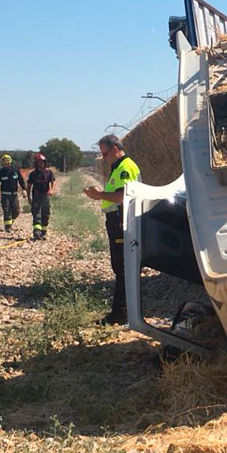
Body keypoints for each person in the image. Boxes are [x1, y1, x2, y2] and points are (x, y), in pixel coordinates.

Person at [83, 134, 140, 324]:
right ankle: (125, 311)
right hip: (116, 220)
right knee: (120, 267)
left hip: (121, 221)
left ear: (115, 150)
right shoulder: (119, 168)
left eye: (105, 154)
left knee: (122, 267)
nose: (104, 158)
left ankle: (121, 313)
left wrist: (99, 195)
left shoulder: (125, 167)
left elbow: (123, 196)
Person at [0, 154, 27, 235]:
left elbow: (21, 180)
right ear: (3, 164)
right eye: (5, 163)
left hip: (14, 195)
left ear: (10, 163)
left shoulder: (15, 171)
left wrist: (24, 189)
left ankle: (10, 221)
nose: (7, 165)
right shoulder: (0, 173)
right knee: (7, 211)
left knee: (16, 211)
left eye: (8, 163)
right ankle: (8, 228)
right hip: (5, 196)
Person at [26, 153, 56, 241]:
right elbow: (29, 186)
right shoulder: (33, 174)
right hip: (36, 196)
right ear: (36, 163)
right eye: (39, 162)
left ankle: (43, 232)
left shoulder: (49, 172)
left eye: (42, 162)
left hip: (46, 196)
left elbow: (53, 182)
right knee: (37, 214)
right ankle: (36, 232)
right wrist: (29, 197)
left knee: (46, 214)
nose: (41, 164)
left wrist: (52, 190)